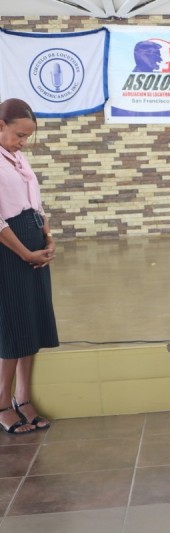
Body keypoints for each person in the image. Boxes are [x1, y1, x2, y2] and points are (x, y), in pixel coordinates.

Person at [0, 98, 59, 434]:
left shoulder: (18, 159)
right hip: (10, 252)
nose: (23, 142)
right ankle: (1, 402)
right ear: (0, 126)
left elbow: (36, 205)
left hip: (33, 245)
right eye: (19, 135)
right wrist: (25, 253)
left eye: (27, 137)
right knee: (12, 326)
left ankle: (23, 398)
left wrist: (48, 238)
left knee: (31, 323)